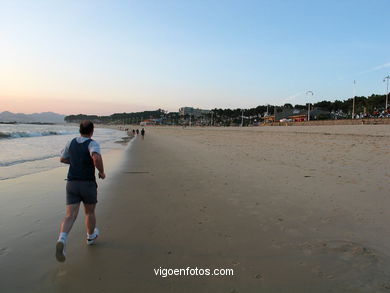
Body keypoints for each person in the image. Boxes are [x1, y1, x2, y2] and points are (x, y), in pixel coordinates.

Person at [55, 120, 105, 262]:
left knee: (70, 215)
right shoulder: (92, 143)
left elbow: (63, 159)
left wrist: (76, 161)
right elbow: (95, 157)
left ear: (79, 130)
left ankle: (62, 239)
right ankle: (90, 237)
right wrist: (101, 172)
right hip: (87, 184)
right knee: (89, 212)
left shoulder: (70, 142)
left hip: (71, 184)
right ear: (92, 131)